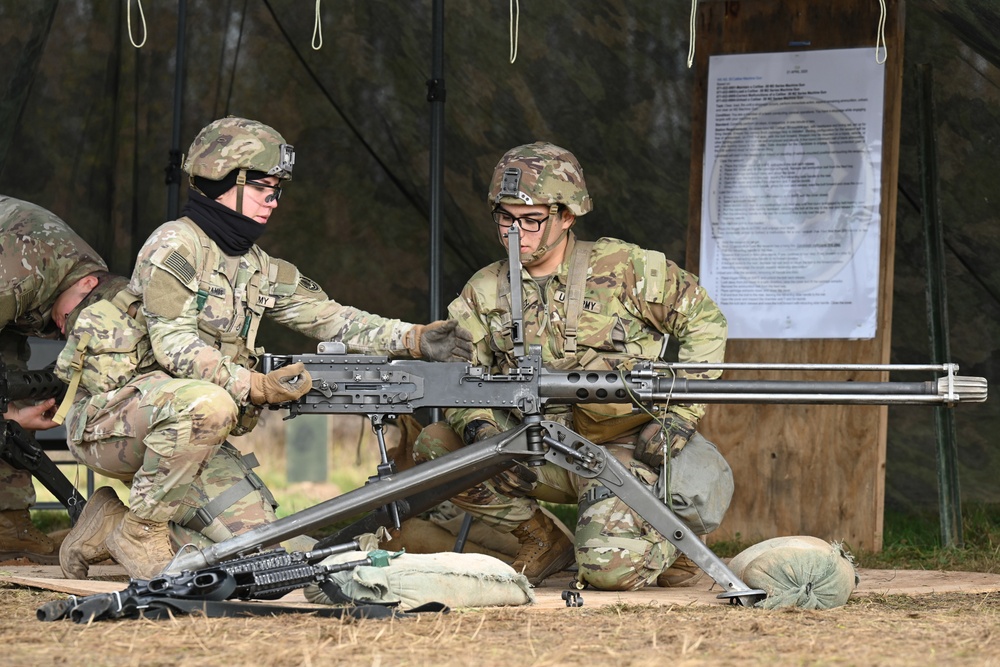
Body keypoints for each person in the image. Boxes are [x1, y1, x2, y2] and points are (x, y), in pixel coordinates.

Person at [56, 116, 474, 580]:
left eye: (278, 191)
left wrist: (411, 338)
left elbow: (332, 317)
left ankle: (109, 525)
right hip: (116, 424)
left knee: (265, 550)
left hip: (192, 437)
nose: (274, 202)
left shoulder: (257, 267)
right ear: (221, 180)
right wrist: (251, 384)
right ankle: (141, 531)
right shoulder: (174, 246)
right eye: (263, 188)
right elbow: (173, 344)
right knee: (211, 403)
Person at [413, 142, 733, 590]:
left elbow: (703, 319)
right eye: (504, 218)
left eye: (531, 220)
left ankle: (671, 541)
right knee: (436, 447)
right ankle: (542, 539)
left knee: (609, 570)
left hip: (618, 449)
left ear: (567, 216)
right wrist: (482, 431)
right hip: (533, 447)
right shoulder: (484, 290)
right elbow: (461, 379)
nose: (514, 233)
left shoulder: (624, 267)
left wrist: (679, 416)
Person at [0, 196, 109, 563]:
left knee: (10, 378)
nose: (69, 334)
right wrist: (8, 417)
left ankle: (8, 526)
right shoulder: (20, 276)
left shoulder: (92, 284)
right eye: (75, 324)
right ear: (87, 284)